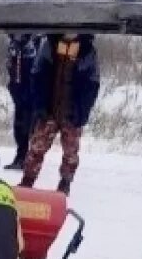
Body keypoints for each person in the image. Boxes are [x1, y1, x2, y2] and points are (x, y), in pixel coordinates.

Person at [18, 33, 101, 196]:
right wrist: (39, 105)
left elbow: (92, 84)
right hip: (49, 110)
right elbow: (37, 75)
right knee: (37, 147)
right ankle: (27, 181)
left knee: (71, 152)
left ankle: (65, 183)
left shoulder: (87, 50)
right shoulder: (49, 45)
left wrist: (82, 111)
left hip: (72, 112)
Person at [4, 0, 45, 170]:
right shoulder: (17, 22)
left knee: (32, 119)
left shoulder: (40, 31)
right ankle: (21, 154)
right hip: (18, 77)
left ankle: (28, 156)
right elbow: (10, 36)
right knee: (21, 118)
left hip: (32, 78)